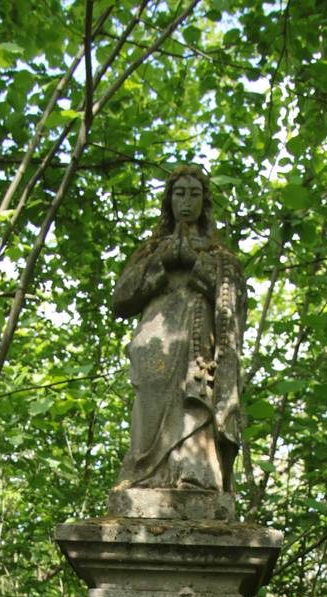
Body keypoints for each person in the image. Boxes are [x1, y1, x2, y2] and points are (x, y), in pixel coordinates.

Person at [112, 165, 246, 492]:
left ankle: (194, 477)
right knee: (151, 395)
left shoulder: (218, 255)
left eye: (194, 193)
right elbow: (121, 299)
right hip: (154, 343)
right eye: (179, 193)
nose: (186, 201)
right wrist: (163, 262)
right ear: (169, 200)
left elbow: (232, 300)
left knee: (196, 399)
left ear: (205, 201)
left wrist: (194, 264)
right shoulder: (151, 250)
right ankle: (143, 477)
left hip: (197, 342)